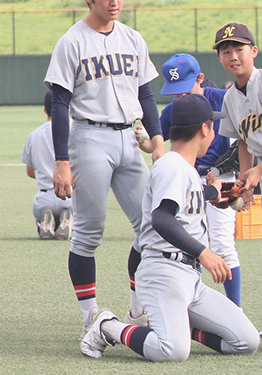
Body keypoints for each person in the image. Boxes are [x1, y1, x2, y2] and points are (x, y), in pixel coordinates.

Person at [81, 93, 260, 361]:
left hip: (190, 280)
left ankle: (179, 327)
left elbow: (190, 195)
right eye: (212, 124)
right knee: (172, 351)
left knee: (246, 341)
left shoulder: (182, 168)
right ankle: (107, 327)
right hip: (163, 274)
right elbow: (162, 218)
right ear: (204, 129)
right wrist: (204, 252)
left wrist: (215, 192)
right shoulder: (172, 167)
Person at [43, 0, 166, 351]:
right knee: (89, 233)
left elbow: (146, 93)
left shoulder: (133, 38)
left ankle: (136, 309)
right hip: (89, 139)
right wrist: (62, 161)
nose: (114, 1)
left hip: (129, 139)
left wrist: (158, 138)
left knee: (152, 226)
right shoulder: (72, 41)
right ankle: (90, 316)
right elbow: (59, 105)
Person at [137, 53, 241, 306]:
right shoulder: (175, 109)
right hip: (188, 178)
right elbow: (155, 142)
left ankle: (234, 310)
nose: (180, 96)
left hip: (220, 176)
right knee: (191, 243)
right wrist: (143, 141)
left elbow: (244, 127)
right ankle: (193, 306)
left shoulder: (222, 99)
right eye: (175, 91)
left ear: (201, 79)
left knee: (223, 245)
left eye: (185, 88)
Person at [215, 23, 262, 211]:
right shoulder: (230, 98)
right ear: (219, 58)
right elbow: (244, 141)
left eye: (239, 49)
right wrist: (244, 182)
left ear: (254, 51)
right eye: (226, 52)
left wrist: (257, 171)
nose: (233, 57)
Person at [21, 91, 73, 240]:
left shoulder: (34, 135)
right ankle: (69, 220)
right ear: (68, 108)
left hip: (44, 197)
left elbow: (30, 172)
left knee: (41, 204)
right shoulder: (76, 130)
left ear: (45, 110)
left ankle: (45, 222)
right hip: (71, 195)